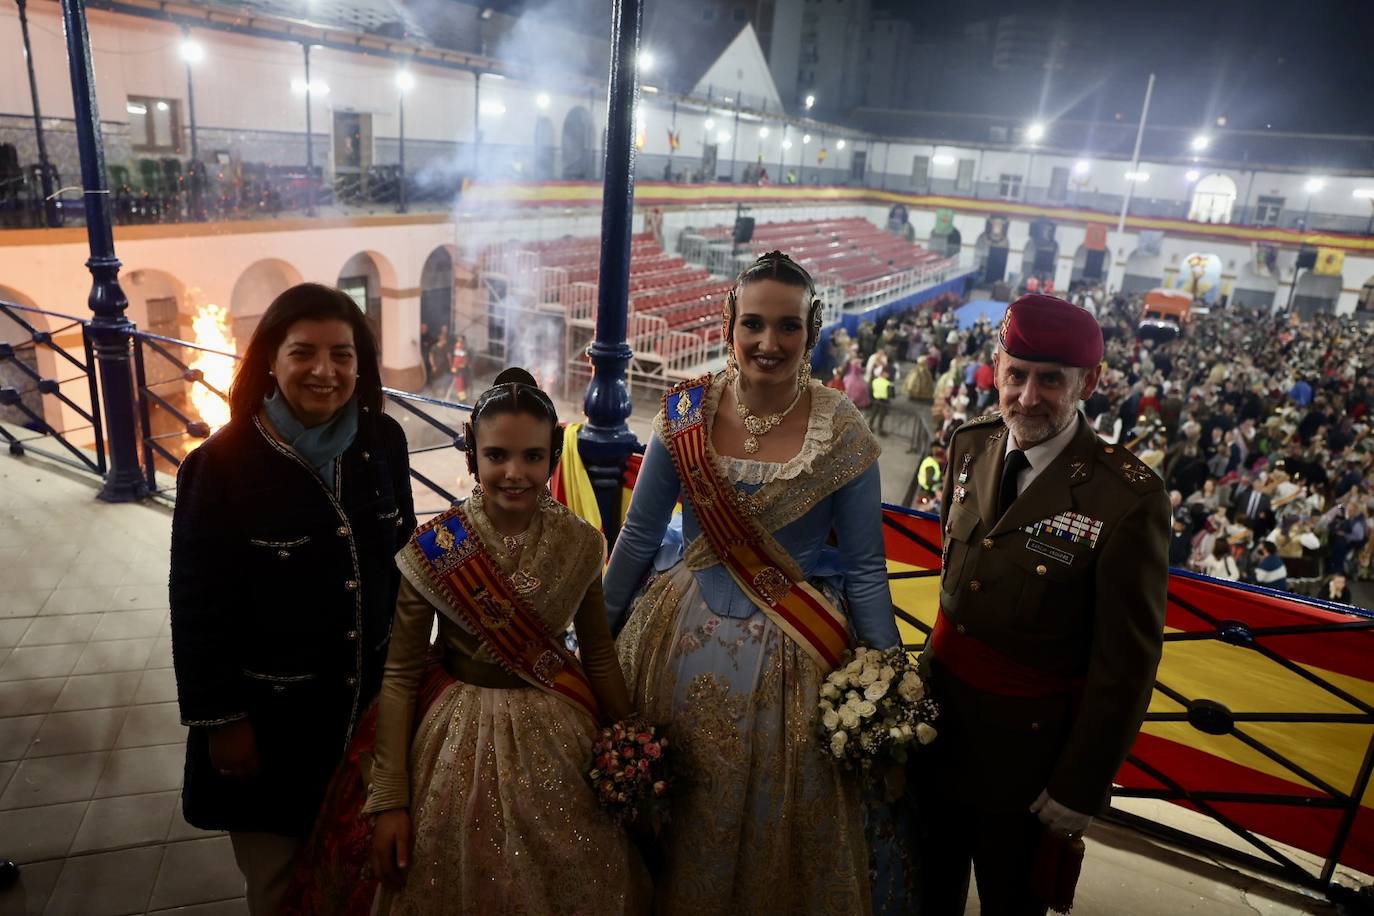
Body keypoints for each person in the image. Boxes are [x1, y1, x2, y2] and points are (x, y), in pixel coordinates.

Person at [604, 251, 905, 914]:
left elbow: (863, 567)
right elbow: (638, 537)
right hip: (670, 644)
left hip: (791, 664)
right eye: (754, 324)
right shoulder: (683, 413)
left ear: (813, 329)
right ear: (728, 325)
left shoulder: (843, 430)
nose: (769, 342)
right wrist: (593, 640)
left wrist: (886, 678)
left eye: (788, 326)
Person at [919, 293, 1169, 915]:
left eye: (1051, 380)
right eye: (1016, 375)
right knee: (923, 890)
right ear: (996, 369)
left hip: (1026, 764)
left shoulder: (1126, 498)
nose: (1028, 397)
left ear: (1091, 381)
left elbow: (1126, 664)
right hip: (933, 727)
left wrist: (1078, 785)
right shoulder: (970, 444)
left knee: (1011, 903)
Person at [170, 283, 415, 916]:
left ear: (361, 364)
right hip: (270, 726)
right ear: (271, 362)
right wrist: (221, 722)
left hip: (367, 714)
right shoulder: (219, 467)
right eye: (303, 352)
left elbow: (404, 566)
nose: (325, 371)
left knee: (360, 875)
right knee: (279, 885)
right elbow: (198, 606)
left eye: (343, 354)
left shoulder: (382, 442)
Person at [365, 368, 648, 914]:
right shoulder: (435, 547)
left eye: (532, 457)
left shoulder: (580, 542)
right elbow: (400, 677)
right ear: (472, 456)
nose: (514, 473)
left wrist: (632, 754)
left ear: (553, 459)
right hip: (456, 735)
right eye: (497, 456)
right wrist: (391, 799)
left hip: (558, 727)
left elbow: (600, 656)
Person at [868, 366, 893, 436]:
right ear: (883, 373)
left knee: (873, 414)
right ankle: (880, 429)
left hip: (876, 400)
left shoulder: (874, 381)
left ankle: (870, 426)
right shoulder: (888, 383)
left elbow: (871, 390)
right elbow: (890, 394)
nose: (888, 374)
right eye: (887, 373)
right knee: (882, 416)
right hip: (884, 401)